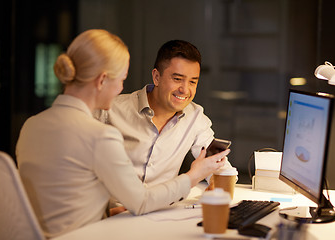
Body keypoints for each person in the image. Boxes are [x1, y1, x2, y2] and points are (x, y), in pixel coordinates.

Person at [16, 30, 229, 238]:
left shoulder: (30, 125)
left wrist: (107, 211)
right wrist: (193, 176)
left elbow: (67, 196)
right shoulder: (99, 134)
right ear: (102, 81)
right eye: (121, 80)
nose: (121, 89)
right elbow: (141, 201)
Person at [95, 39, 233, 189]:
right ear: (156, 77)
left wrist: (216, 183)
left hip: (162, 208)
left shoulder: (195, 117)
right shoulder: (110, 109)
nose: (185, 90)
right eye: (177, 79)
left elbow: (221, 168)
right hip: (115, 209)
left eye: (193, 82)